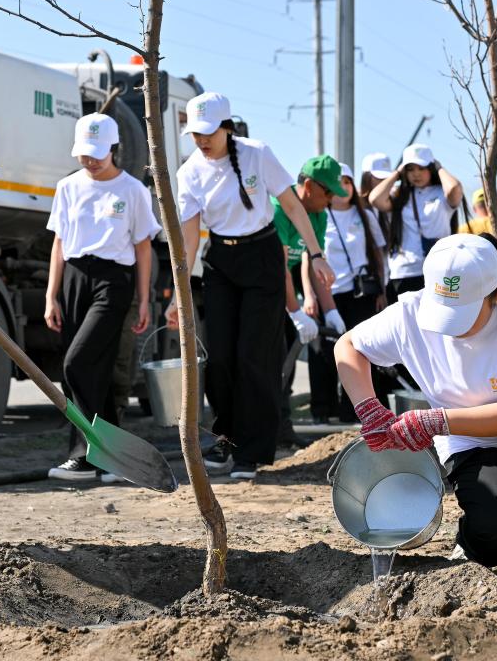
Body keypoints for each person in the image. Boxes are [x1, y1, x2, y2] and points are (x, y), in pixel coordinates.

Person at [335, 233, 497, 592]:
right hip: (473, 443)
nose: (451, 329)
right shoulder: (409, 314)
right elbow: (347, 346)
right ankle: (474, 541)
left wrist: (437, 421)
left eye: (463, 314)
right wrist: (369, 408)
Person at [165, 92, 334, 480]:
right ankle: (226, 438)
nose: (202, 141)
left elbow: (291, 205)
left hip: (263, 256)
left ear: (227, 128)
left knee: (254, 357)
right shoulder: (189, 171)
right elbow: (189, 238)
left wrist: (316, 253)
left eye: (209, 132)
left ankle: (254, 451)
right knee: (220, 356)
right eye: (195, 134)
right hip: (221, 261)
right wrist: (179, 294)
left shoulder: (258, 153)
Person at [44, 113, 160, 481]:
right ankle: (110, 458)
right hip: (75, 278)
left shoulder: (133, 190)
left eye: (97, 153)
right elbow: (59, 244)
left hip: (114, 281)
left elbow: (143, 248)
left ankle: (85, 453)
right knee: (96, 371)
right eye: (84, 154)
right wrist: (51, 296)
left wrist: (144, 300)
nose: (90, 160)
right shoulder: (68, 187)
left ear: (113, 149)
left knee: (76, 364)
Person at [306, 162, 389, 426]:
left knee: (361, 352)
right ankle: (322, 409)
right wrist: (310, 295)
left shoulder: (365, 215)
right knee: (323, 354)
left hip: (360, 293)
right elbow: (309, 258)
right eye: (337, 183)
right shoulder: (320, 215)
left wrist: (382, 289)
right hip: (328, 293)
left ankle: (354, 410)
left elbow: (379, 254)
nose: (342, 188)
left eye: (347, 182)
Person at [274, 154, 346, 433]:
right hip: (265, 278)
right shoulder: (279, 208)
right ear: (309, 186)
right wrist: (294, 310)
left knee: (291, 345)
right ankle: (269, 421)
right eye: (328, 192)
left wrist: (331, 310)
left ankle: (282, 420)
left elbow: (314, 263)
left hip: (289, 276)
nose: (330, 200)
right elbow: (278, 265)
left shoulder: (318, 215)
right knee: (273, 352)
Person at [368, 144, 462, 299]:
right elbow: (375, 198)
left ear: (430, 168)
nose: (416, 174)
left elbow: (454, 188)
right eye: (410, 169)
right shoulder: (400, 195)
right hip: (405, 272)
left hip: (439, 270)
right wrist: (397, 172)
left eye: (422, 168)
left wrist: (440, 168)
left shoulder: (442, 193)